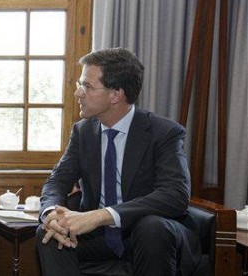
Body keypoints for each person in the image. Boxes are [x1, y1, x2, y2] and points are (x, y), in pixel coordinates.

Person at [36, 48, 203, 276]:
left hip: (149, 237)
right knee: (48, 232)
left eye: (87, 86)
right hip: (100, 239)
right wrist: (51, 213)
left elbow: (175, 195)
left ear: (116, 95)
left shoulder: (163, 133)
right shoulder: (83, 132)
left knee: (151, 227)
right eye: (79, 84)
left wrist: (100, 216)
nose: (78, 93)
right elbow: (58, 181)